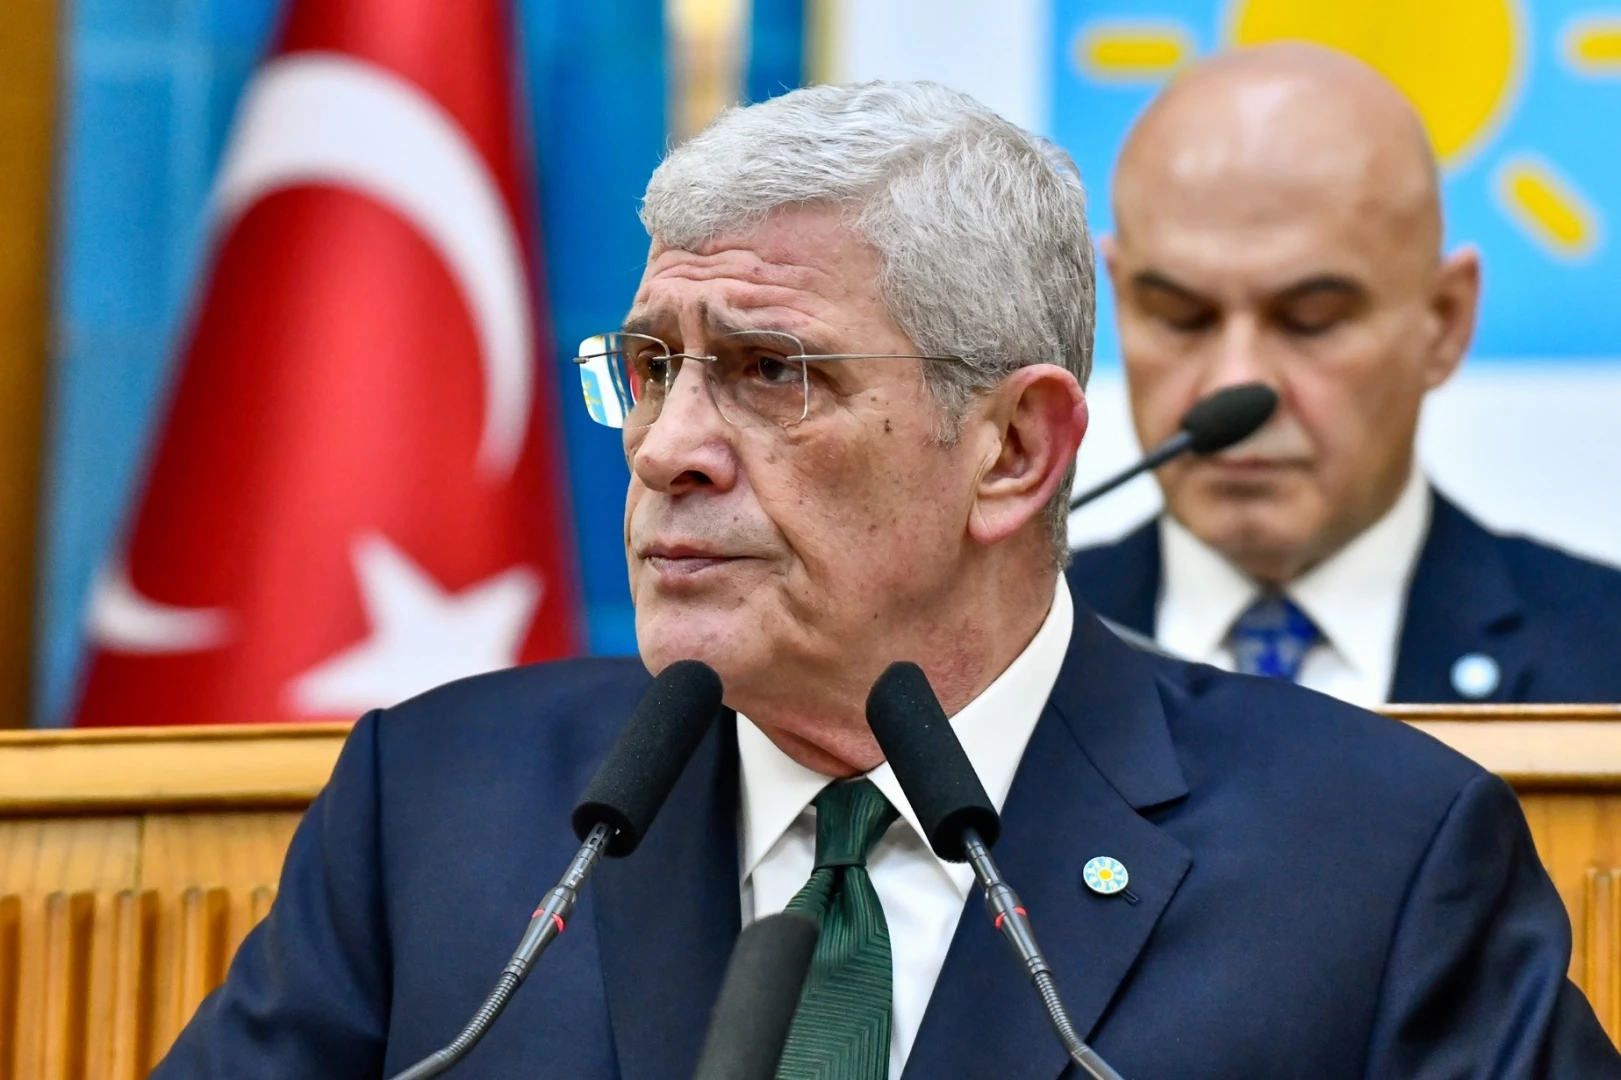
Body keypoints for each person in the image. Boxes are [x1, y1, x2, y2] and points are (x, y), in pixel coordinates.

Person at [153, 81, 1618, 1079]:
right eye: (653, 366)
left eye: (769, 372)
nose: (669, 448)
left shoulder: (1375, 864)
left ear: (1013, 450)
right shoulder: (433, 809)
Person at [1068, 44, 1621, 707]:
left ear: (1444, 320)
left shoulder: (1603, 657)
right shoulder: (1004, 652)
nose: (1233, 382)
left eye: (1312, 321)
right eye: (1180, 317)